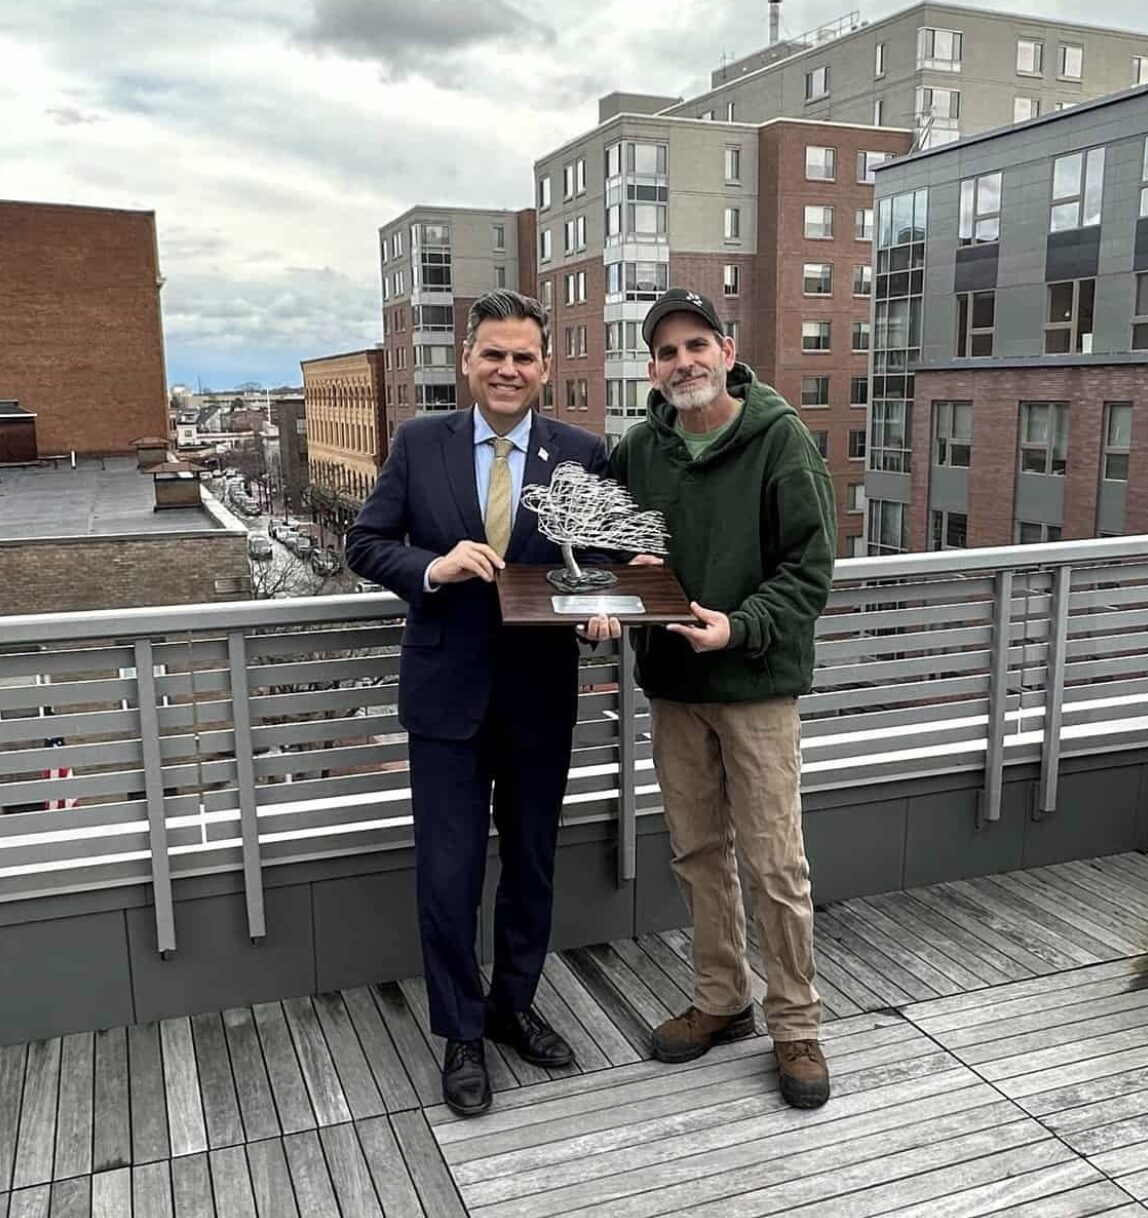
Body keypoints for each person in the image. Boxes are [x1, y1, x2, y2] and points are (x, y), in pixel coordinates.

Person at [345, 290, 606, 1116]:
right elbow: (365, 543)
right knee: (448, 875)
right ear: (468, 361)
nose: (507, 369)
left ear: (545, 366)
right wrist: (432, 566)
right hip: (445, 697)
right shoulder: (420, 444)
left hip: (539, 697)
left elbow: (599, 564)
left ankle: (512, 1007)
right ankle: (460, 1032)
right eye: (493, 354)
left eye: (523, 356)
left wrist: (603, 614)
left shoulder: (584, 453)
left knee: (530, 867)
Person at [586, 287, 836, 1109]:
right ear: (652, 371)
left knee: (775, 864)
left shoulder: (781, 440)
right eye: (666, 351)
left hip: (757, 686)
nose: (683, 361)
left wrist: (740, 627)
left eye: (698, 344)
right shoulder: (638, 452)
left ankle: (795, 1025)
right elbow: (606, 547)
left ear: (727, 351)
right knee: (697, 856)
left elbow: (809, 571)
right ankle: (723, 999)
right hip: (676, 689)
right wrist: (602, 600)